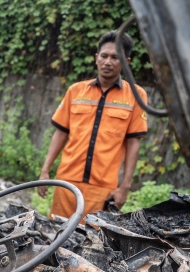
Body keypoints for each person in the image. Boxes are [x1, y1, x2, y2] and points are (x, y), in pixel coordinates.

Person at [38, 31, 148, 222]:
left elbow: (133, 143)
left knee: (91, 244)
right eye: (104, 56)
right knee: (55, 236)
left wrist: (124, 187)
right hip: (67, 182)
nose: (108, 61)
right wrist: (45, 170)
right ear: (96, 58)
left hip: (102, 188)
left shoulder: (136, 96)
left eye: (115, 57)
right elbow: (60, 133)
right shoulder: (76, 91)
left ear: (126, 62)